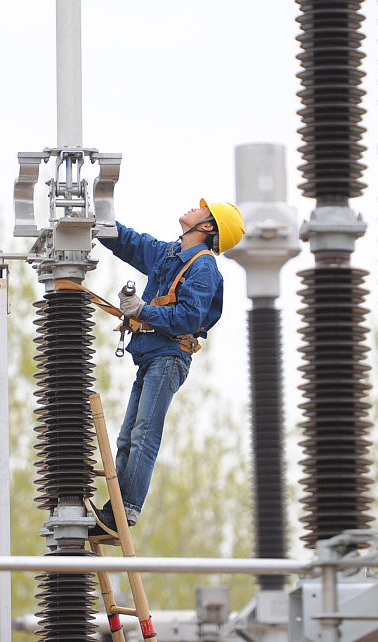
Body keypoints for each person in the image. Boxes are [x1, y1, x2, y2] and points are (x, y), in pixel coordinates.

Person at [90, 198, 245, 541]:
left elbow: (188, 318)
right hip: (152, 354)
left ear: (207, 227)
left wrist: (142, 311)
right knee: (129, 435)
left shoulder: (203, 268)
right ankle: (115, 508)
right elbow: (133, 243)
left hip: (170, 355)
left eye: (202, 210)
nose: (194, 207)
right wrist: (98, 223)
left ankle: (124, 510)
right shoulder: (172, 255)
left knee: (143, 433)